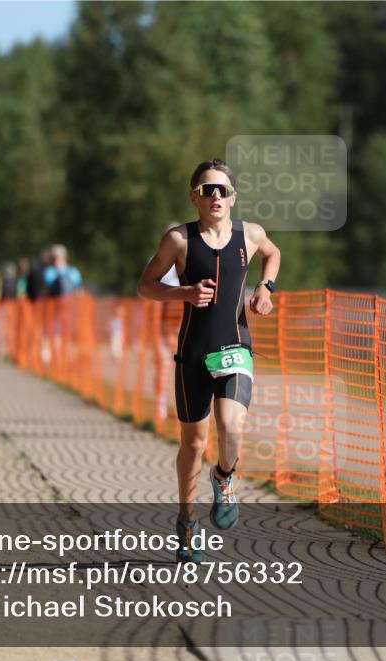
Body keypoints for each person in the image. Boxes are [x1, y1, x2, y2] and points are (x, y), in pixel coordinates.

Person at [137, 158, 281, 563]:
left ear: (233, 197)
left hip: (235, 346)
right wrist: (183, 294)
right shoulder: (178, 240)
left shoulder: (250, 234)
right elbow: (146, 286)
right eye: (207, 190)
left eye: (222, 190)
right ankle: (187, 523)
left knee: (232, 425)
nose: (215, 196)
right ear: (194, 197)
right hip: (193, 354)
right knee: (194, 443)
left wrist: (266, 288)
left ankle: (225, 476)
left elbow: (273, 253)